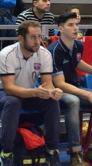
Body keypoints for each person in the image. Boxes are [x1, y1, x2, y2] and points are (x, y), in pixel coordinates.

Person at [49, 13, 92, 166]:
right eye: (70, 25)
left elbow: (78, 63)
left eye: (76, 24)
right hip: (57, 91)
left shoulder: (78, 45)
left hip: (75, 86)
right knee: (73, 101)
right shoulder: (54, 50)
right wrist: (87, 94)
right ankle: (75, 153)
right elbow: (60, 83)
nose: (75, 28)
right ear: (60, 28)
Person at [0, 21, 63, 165]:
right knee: (13, 102)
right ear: (21, 38)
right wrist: (35, 92)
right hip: (6, 95)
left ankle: (52, 150)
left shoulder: (44, 53)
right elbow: (9, 88)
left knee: (52, 101)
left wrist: (53, 91)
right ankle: (6, 153)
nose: (38, 41)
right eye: (33, 37)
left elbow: (47, 83)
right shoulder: (6, 54)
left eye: (39, 37)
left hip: (29, 93)